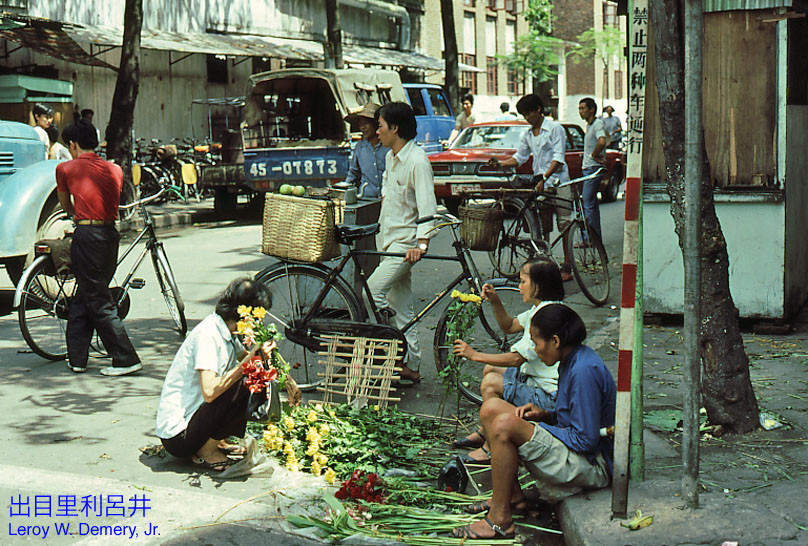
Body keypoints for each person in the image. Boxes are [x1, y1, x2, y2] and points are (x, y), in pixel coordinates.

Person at [452, 304, 616, 540]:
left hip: (593, 466)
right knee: (491, 409)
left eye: (536, 342)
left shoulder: (583, 371)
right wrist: (545, 414)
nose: (535, 350)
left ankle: (499, 519)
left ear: (555, 341)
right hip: (578, 451)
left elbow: (585, 440)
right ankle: (510, 497)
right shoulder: (572, 360)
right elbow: (573, 417)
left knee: (505, 425)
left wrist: (539, 427)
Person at [451, 258, 565, 464]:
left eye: (523, 282)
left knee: (491, 383)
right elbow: (509, 326)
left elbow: (515, 359)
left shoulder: (545, 317)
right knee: (490, 369)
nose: (519, 287)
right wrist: (495, 301)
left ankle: (491, 447)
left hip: (549, 396)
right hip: (536, 379)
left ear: (539, 285)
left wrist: (473, 355)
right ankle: (485, 430)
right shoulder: (542, 308)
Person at [156, 278, 275, 472]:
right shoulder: (209, 335)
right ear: (245, 313)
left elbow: (246, 357)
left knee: (255, 374)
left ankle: (212, 441)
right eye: (258, 315)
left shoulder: (227, 331)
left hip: (194, 421)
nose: (260, 321)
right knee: (248, 379)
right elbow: (210, 391)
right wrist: (249, 362)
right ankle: (207, 450)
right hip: (179, 436)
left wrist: (282, 376)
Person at [56, 119, 142, 376]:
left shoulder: (65, 168)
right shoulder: (114, 169)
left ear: (73, 144)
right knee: (87, 293)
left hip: (87, 235)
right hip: (110, 234)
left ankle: (125, 358)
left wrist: (76, 216)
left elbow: (65, 204)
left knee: (97, 299)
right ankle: (77, 358)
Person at [368, 102, 438, 384]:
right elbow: (388, 196)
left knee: (372, 292)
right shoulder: (391, 157)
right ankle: (412, 365)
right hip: (387, 239)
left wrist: (421, 245)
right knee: (400, 306)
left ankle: (393, 354)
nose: (377, 131)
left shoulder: (418, 161)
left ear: (395, 128)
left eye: (380, 126)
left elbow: (427, 206)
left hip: (404, 246)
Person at [488, 94, 574, 281]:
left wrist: (545, 177)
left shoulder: (555, 129)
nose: (527, 118)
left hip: (559, 181)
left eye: (529, 113)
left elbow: (558, 158)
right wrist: (501, 164)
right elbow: (519, 157)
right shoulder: (527, 134)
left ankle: (567, 264)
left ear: (538, 109)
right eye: (524, 115)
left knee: (565, 224)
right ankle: (546, 265)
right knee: (542, 225)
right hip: (541, 184)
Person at [344, 103, 389, 199]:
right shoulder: (359, 148)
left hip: (388, 199)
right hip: (367, 199)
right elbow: (353, 173)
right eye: (360, 124)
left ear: (376, 124)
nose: (362, 127)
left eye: (366, 123)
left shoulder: (388, 146)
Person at [578, 98, 608, 240]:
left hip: (592, 168)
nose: (580, 111)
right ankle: (595, 238)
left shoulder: (597, 124)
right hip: (588, 168)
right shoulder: (589, 126)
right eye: (579, 109)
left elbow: (602, 141)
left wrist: (594, 155)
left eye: (583, 108)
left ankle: (588, 238)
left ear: (591, 110)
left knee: (587, 203)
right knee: (592, 205)